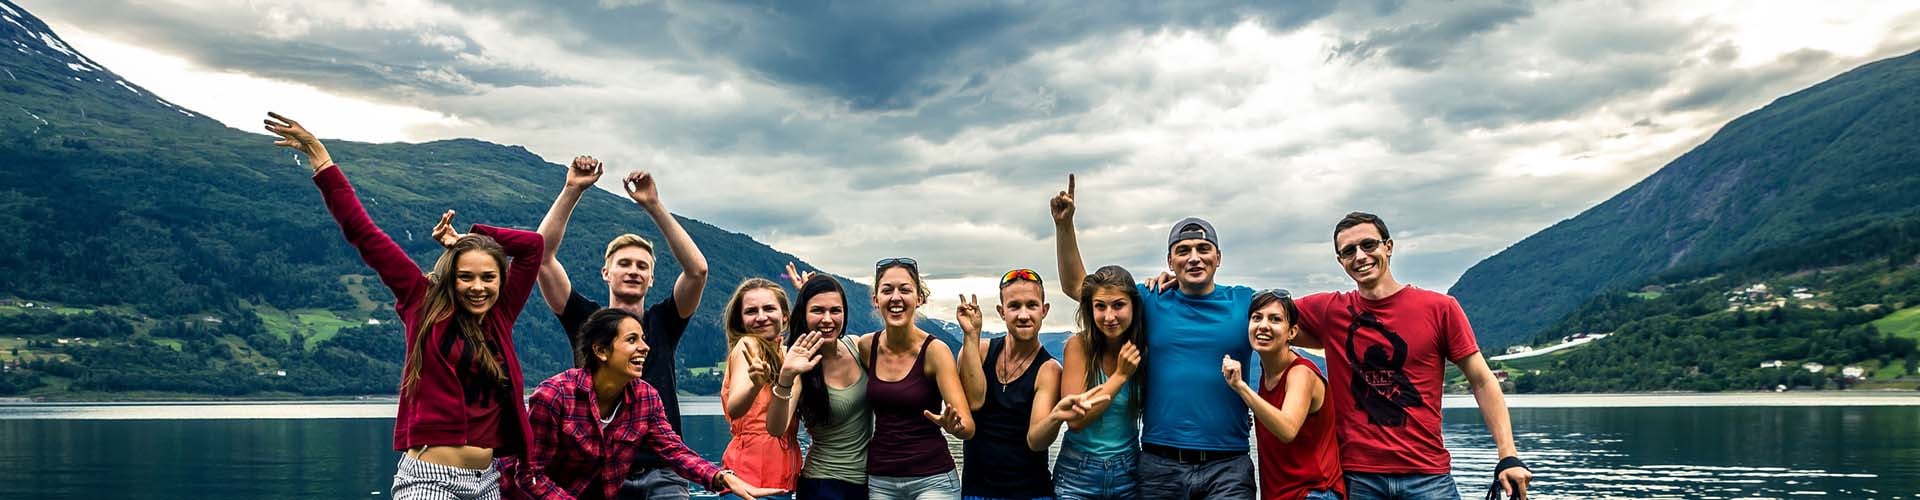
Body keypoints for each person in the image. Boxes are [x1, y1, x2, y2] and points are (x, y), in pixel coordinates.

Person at [268, 112, 543, 500]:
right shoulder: (422, 303)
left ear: (500, 280)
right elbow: (363, 232)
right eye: (466, 276)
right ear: (450, 277)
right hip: (429, 480)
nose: (478, 287)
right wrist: (319, 157)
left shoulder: (501, 317)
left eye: (488, 277)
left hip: (488, 483)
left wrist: (474, 237)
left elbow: (533, 248)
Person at [1289, 212, 1532, 500]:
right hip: (1357, 478)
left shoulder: (1440, 308)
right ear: (1340, 261)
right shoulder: (1330, 311)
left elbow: (1482, 381)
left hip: (1428, 477)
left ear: (1388, 246)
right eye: (1348, 251)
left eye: (1369, 245)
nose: (1360, 256)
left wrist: (1508, 456)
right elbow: (1263, 318)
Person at [1050, 175, 1257, 499]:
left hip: (1228, 464)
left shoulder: (1245, 304)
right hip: (1160, 463)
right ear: (1170, 261)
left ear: (1218, 257)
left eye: (1204, 249)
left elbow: (1293, 325)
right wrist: (1065, 226)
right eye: (1183, 250)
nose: (1194, 257)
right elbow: (1079, 287)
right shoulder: (1150, 299)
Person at [533, 155, 711, 498]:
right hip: (594, 469)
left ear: (652, 278)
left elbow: (697, 271)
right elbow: (541, 257)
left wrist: (654, 205)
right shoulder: (585, 320)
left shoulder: (663, 321)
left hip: (663, 469)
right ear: (606, 273)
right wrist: (572, 189)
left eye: (642, 266)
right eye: (624, 263)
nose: (633, 270)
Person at [502, 308, 785, 500]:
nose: (645, 347)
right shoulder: (554, 396)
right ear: (600, 350)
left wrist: (722, 477)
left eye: (644, 339)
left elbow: (674, 451)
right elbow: (528, 475)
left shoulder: (645, 398)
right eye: (632, 340)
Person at [1026, 265, 1144, 500]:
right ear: (1091, 309)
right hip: (1079, 473)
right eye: (1100, 306)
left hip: (1129, 471)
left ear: (1133, 306)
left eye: (1118, 305)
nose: (1109, 317)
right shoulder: (1079, 347)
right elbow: (1076, 421)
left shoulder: (1143, 348)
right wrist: (1120, 375)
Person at [862, 258, 976, 500]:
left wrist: (952, 425)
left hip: (932, 478)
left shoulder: (935, 351)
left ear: (919, 299)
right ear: (876, 300)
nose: (895, 297)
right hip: (881, 479)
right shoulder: (866, 346)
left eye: (905, 290)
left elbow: (967, 427)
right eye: (887, 290)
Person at [1221, 290, 1342, 500]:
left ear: (1292, 332)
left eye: (1275, 319)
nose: (1264, 325)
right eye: (1257, 318)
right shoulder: (1267, 370)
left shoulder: (1300, 373)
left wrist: (1240, 387)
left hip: (1313, 493)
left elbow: (1287, 429)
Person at [766, 268, 874, 499]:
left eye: (835, 310)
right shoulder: (798, 364)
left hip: (870, 483)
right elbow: (775, 429)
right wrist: (786, 377)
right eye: (817, 311)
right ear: (804, 315)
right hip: (824, 485)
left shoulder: (857, 347)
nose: (827, 319)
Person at [956, 269, 1060, 500]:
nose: (1023, 315)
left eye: (1032, 305)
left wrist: (1058, 416)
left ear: (1044, 310)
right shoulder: (978, 351)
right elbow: (974, 402)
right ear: (1002, 312)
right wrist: (971, 336)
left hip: (1030, 491)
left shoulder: (1049, 370)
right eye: (1014, 306)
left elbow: (1037, 441)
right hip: (977, 490)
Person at [719, 278, 803, 498]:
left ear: (785, 315)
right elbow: (735, 407)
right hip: (747, 483)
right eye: (751, 311)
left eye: (769, 308)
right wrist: (755, 385)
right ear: (741, 320)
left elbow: (780, 425)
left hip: (781, 483)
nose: (761, 317)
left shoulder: (788, 357)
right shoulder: (748, 346)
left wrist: (807, 294)